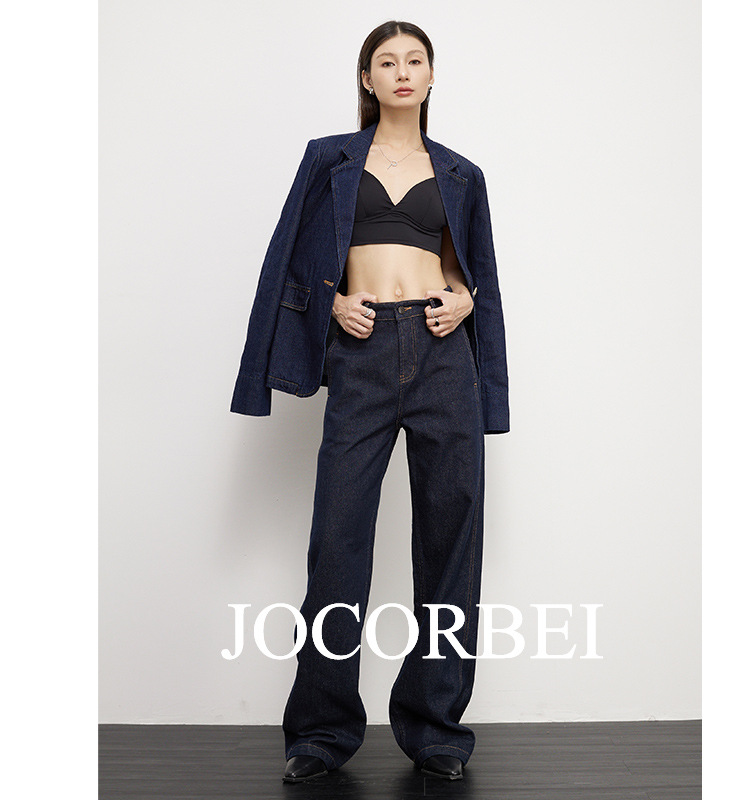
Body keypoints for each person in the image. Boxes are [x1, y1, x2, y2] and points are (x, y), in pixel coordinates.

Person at [230, 20, 510, 783]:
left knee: (451, 544)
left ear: (431, 75)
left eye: (415, 60)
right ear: (367, 78)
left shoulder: (461, 173)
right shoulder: (330, 160)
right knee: (337, 541)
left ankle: (437, 730)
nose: (402, 71)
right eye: (387, 61)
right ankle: (321, 733)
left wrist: (463, 299)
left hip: (443, 356)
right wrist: (332, 306)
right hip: (360, 355)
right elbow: (290, 256)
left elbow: (471, 273)